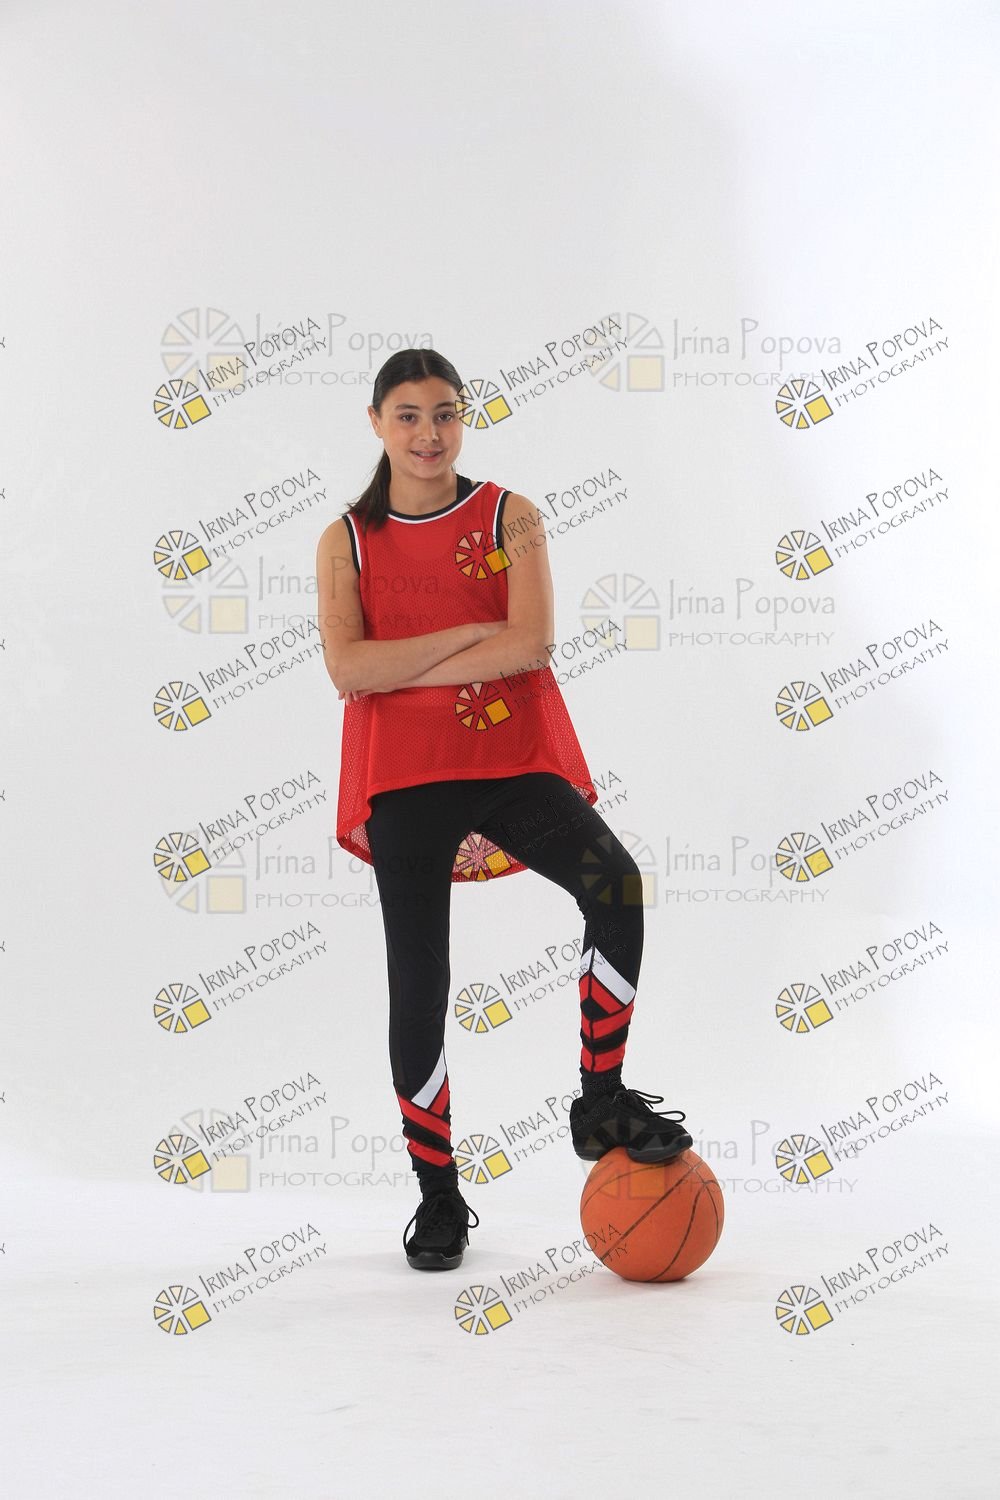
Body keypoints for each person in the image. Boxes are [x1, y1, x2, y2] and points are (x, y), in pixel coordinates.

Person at [315, 348, 692, 1272]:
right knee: (419, 984)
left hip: (508, 760)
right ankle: (438, 1194)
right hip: (405, 780)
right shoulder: (346, 540)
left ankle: (600, 1101)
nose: (429, 433)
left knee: (616, 884)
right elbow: (348, 668)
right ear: (376, 422)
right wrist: (469, 633)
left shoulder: (509, 515)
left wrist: (409, 660)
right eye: (408, 415)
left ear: (464, 418)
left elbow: (531, 645)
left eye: (445, 413)